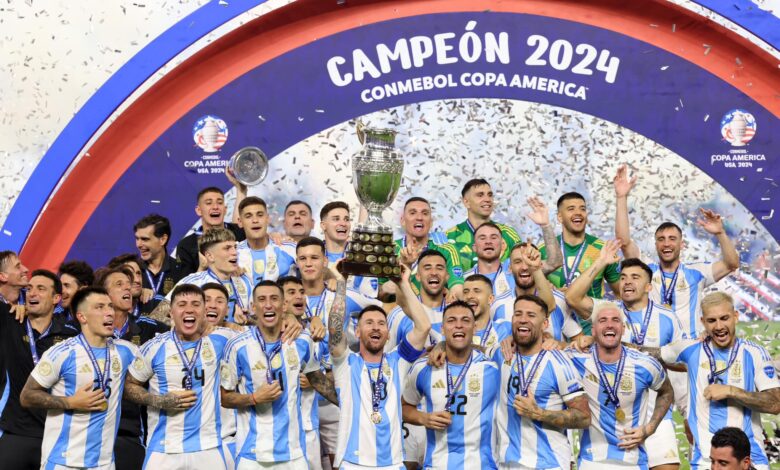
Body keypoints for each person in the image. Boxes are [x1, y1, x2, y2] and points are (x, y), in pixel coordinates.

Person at [566, 243, 684, 469]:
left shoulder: (667, 317)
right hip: (614, 417)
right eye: (623, 278)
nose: (627, 282)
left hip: (656, 415)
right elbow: (572, 297)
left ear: (649, 286)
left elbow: (683, 363)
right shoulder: (608, 311)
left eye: (635, 277)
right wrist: (601, 262)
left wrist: (638, 351)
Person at [646, 292, 780, 470]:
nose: (719, 326)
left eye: (724, 318)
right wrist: (611, 342)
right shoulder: (690, 349)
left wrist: (731, 391)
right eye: (711, 320)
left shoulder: (755, 353)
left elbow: (775, 404)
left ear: (735, 316)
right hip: (705, 461)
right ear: (703, 322)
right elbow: (648, 354)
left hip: (750, 458)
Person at [220, 280, 338, 469]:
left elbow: (317, 380)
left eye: (274, 299)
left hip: (294, 454)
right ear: (253, 307)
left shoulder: (303, 341)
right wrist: (254, 398)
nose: (268, 304)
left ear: (284, 305)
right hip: (252, 455)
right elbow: (224, 398)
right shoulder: (237, 346)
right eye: (262, 299)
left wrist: (350, 405)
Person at [20, 286, 140, 470]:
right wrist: (70, 402)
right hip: (62, 462)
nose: (109, 312)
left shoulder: (126, 351)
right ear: (82, 317)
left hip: (104, 463)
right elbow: (27, 396)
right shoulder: (62, 353)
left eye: (110, 306)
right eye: (99, 307)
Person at [614, 164, 740, 339]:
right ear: (656, 245)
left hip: (690, 349)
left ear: (682, 244)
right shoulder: (646, 270)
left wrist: (720, 233)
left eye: (672, 239)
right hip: (656, 348)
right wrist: (621, 197)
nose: (666, 244)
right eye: (661, 239)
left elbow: (732, 264)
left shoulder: (697, 272)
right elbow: (624, 242)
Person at [328, 264, 431, 469]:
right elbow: (335, 330)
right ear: (357, 332)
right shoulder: (346, 363)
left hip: (393, 463)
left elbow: (423, 327)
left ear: (388, 334)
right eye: (369, 323)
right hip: (353, 463)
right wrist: (341, 283)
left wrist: (403, 283)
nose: (376, 327)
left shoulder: (398, 361)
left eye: (381, 323)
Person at [124, 284, 235, 469]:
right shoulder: (154, 347)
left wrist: (231, 324)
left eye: (196, 304)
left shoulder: (222, 340)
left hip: (208, 447)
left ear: (204, 311)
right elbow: (129, 386)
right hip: (163, 448)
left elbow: (260, 336)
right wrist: (158, 400)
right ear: (171, 312)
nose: (189, 309)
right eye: (182, 304)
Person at [296, 236, 380, 466]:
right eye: (303, 259)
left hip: (333, 395)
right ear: (297, 263)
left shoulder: (342, 296)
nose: (308, 263)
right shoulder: (289, 297)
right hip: (300, 398)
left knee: (339, 462)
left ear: (325, 261)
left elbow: (385, 311)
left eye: (314, 258)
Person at [566, 302, 674, 470]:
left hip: (633, 462)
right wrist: (552, 342)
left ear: (623, 329)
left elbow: (666, 392)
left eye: (615, 320)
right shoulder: (575, 360)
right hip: (591, 461)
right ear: (593, 330)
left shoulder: (645, 364)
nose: (609, 324)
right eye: (603, 320)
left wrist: (650, 428)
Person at [487, 294, 591, 469]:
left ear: (545, 324)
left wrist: (539, 414)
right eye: (518, 314)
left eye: (531, 315)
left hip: (548, 463)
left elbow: (584, 417)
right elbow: (468, 351)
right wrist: (442, 346)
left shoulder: (559, 363)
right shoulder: (502, 354)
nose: (523, 319)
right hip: (507, 463)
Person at [402, 300, 500, 469]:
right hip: (436, 465)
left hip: (481, 465)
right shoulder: (423, 368)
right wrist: (423, 418)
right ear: (442, 328)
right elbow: (404, 407)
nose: (458, 325)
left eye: (465, 320)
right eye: (451, 320)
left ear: (475, 328)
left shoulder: (492, 368)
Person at [0, 270, 79, 470]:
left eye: (41, 289)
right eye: (29, 289)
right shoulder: (10, 321)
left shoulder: (71, 336)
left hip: (57, 436)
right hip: (16, 432)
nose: (32, 293)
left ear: (56, 298)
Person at [95, 266, 168, 470]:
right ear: (104, 295)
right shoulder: (88, 332)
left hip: (133, 430)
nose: (127, 287)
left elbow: (184, 326)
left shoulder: (149, 327)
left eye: (128, 284)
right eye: (119, 284)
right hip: (95, 428)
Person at [541, 192, 620, 334]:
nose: (578, 213)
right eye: (571, 209)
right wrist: (553, 292)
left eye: (582, 209)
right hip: (555, 335)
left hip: (593, 333)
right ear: (560, 217)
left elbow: (620, 295)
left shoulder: (603, 251)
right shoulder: (544, 250)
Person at [152, 227, 253, 325]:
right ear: (210, 256)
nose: (235, 252)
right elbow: (157, 316)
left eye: (235, 247)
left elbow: (256, 319)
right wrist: (193, 326)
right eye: (227, 248)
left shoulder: (244, 280)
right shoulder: (193, 282)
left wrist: (248, 321)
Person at [493, 243, 584, 348]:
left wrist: (560, 345)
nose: (524, 267)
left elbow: (581, 344)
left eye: (530, 260)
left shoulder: (558, 300)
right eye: (518, 262)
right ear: (510, 268)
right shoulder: (498, 305)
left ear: (540, 265)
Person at [392, 197, 464, 300]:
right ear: (402, 220)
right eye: (413, 213)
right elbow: (380, 292)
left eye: (425, 213)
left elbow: (457, 288)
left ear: (431, 222)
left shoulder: (447, 249)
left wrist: (454, 298)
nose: (419, 217)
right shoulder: (391, 250)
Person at [445, 179, 522, 272]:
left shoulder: (508, 234)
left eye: (490, 195)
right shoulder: (449, 237)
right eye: (480, 195)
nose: (487, 199)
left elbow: (523, 266)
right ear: (466, 202)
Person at [175, 183, 247, 277]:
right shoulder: (186, 245)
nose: (215, 207)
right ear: (199, 210)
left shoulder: (241, 232)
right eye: (209, 203)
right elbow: (185, 284)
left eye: (220, 203)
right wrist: (202, 268)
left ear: (225, 209)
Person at [236, 197, 296, 284]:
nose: (255, 220)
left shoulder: (289, 248)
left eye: (260, 215)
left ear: (268, 219)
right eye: (248, 216)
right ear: (240, 222)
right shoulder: (232, 253)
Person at [134, 214, 186, 314]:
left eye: (145, 239)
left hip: (167, 323)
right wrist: (135, 291)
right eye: (137, 238)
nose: (138, 244)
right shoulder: (132, 269)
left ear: (163, 239)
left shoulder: (181, 270)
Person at [463, 274, 512, 350]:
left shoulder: (506, 329)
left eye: (476, 291)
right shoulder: (452, 330)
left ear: (490, 299)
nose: (469, 296)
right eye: (465, 292)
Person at [108, 254, 147, 318]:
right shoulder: (105, 314)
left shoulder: (153, 303)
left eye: (138, 273)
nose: (137, 280)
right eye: (130, 275)